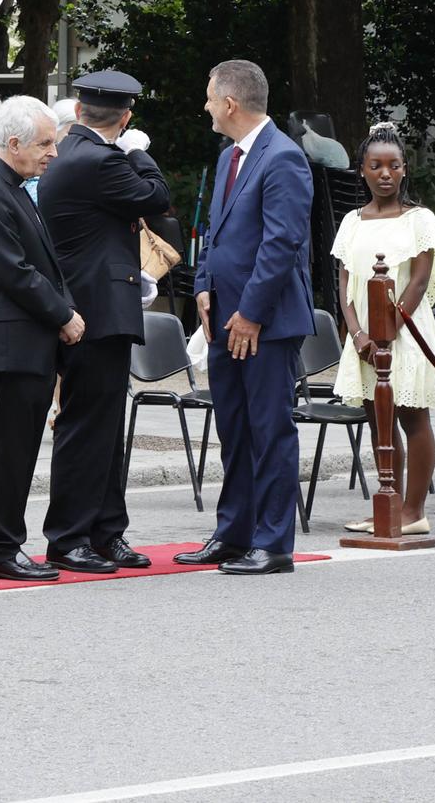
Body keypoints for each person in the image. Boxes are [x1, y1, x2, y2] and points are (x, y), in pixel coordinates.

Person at [177, 60, 314, 576]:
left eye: (210, 98)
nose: (206, 106)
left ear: (230, 104)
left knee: (269, 429)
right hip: (223, 320)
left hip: (265, 324)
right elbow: (214, 235)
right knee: (234, 428)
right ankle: (233, 534)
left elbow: (282, 244)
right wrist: (205, 289)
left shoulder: (283, 158)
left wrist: (251, 314)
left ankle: (273, 543)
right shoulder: (230, 155)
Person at [36, 71, 170, 572]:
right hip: (94, 310)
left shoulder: (76, 155)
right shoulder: (100, 158)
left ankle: (105, 531)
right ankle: (70, 537)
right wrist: (138, 152)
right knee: (87, 427)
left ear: (78, 109)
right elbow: (156, 196)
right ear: (126, 116)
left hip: (94, 307)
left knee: (104, 428)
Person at [0, 96, 79, 581]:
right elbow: (14, 271)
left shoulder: (17, 186)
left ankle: (1, 544)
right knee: (9, 451)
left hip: (26, 340)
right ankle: (0, 546)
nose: (53, 151)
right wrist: (63, 314)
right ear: (12, 144)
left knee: (20, 449)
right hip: (12, 341)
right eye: (44, 143)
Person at [332, 124, 435, 535]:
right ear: (362, 170)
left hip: (405, 331)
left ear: (404, 170)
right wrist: (359, 334)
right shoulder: (352, 221)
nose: (385, 173)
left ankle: (414, 511)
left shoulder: (419, 220)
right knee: (377, 419)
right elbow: (344, 283)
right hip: (365, 337)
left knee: (412, 417)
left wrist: (389, 326)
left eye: (394, 165)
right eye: (376, 165)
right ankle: (388, 502)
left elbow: (419, 280)